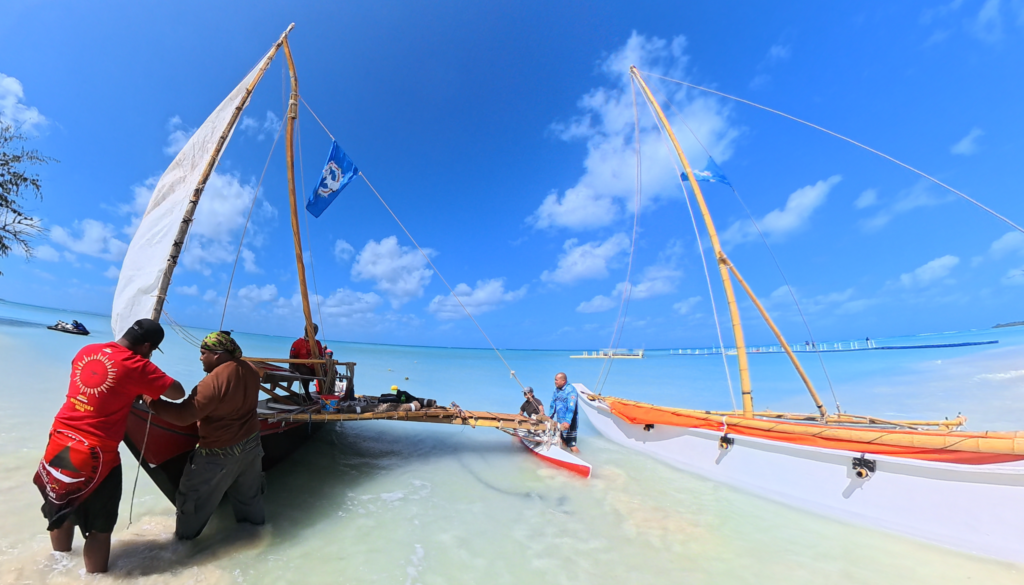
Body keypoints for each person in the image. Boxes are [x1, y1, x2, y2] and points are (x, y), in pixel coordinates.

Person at [33, 318, 185, 573]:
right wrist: (144, 380)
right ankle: (95, 579)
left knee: (63, 509)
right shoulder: (138, 366)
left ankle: (58, 567)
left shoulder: (86, 351)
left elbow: (101, 387)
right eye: (151, 350)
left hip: (61, 440)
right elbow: (177, 392)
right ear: (147, 346)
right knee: (99, 530)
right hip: (95, 454)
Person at [144, 331, 264, 541]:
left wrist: (149, 400)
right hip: (251, 447)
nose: (200, 358)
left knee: (192, 501)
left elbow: (182, 416)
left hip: (219, 452)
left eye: (203, 353)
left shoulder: (213, 382)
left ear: (217, 355)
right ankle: (255, 540)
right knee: (249, 500)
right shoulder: (251, 369)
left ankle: (183, 549)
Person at [289, 323, 324, 397]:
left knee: (326, 371)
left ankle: (325, 392)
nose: (313, 333)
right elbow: (292, 356)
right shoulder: (298, 343)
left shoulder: (317, 343)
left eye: (315, 331)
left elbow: (321, 356)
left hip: (314, 366)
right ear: (306, 331)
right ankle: (307, 393)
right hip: (301, 366)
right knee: (305, 372)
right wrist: (291, 368)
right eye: (311, 331)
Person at [548, 372, 579, 453]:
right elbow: (552, 404)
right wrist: (550, 416)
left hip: (570, 421)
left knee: (571, 444)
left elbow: (571, 407)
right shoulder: (556, 389)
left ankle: (580, 458)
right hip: (560, 420)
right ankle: (567, 457)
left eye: (557, 380)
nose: (555, 382)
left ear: (563, 381)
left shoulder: (571, 390)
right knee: (562, 440)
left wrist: (568, 421)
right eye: (555, 380)